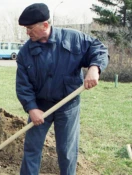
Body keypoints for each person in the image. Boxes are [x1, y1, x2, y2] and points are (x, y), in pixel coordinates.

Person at [16, 3, 109, 175]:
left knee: (67, 152)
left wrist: (95, 67)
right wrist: (31, 108)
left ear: (44, 25)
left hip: (68, 106)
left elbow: (99, 48)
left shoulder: (72, 39)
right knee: (32, 150)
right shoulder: (25, 53)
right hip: (40, 106)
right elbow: (23, 85)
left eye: (30, 28)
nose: (27, 32)